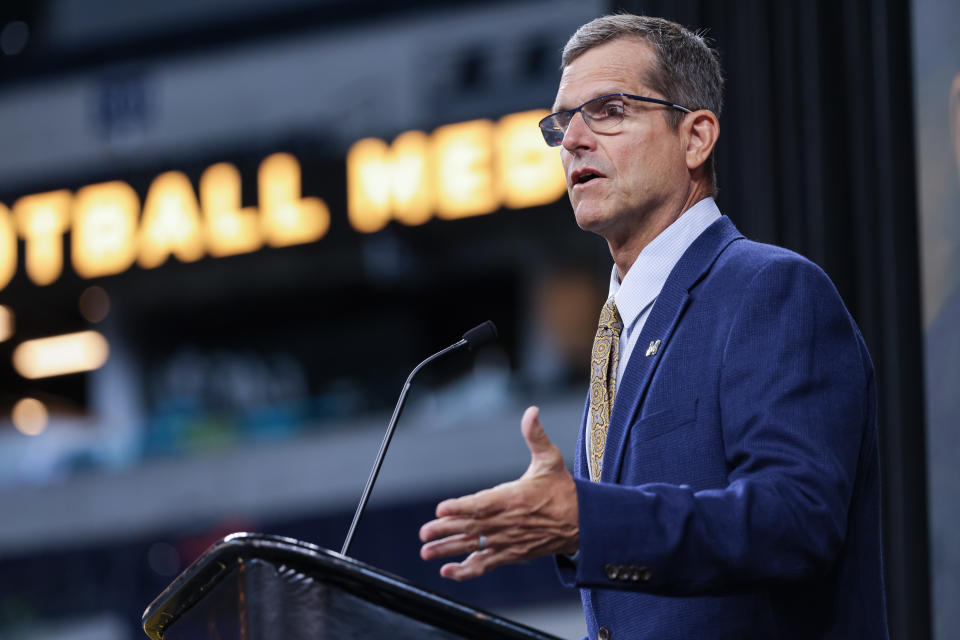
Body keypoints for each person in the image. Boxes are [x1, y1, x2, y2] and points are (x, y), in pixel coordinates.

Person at [419, 14, 888, 640]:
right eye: (562, 122)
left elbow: (796, 522)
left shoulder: (769, 289)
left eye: (608, 109)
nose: (574, 140)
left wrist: (589, 521)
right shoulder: (618, 330)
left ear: (696, 138)